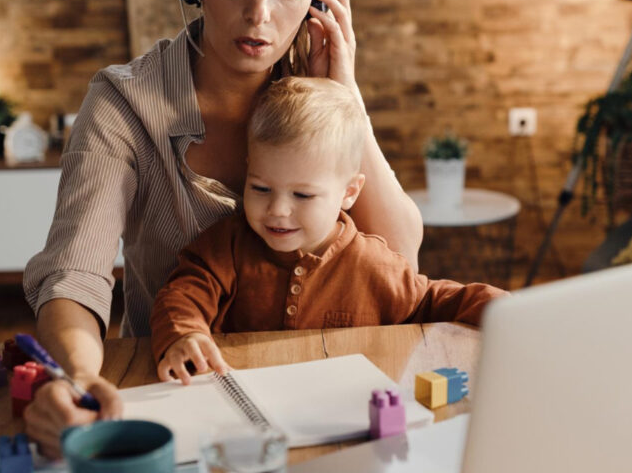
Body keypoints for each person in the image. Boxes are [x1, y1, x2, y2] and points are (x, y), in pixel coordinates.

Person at [20, 0, 424, 458]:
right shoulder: (124, 102)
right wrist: (77, 377)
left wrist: (346, 94)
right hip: (179, 395)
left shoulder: (320, 92)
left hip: (327, 395)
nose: (260, 14)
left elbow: (401, 255)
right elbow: (75, 274)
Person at [151, 78, 504, 383]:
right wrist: (185, 335)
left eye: (302, 194)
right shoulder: (226, 246)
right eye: (260, 188)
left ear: (349, 192)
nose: (277, 209)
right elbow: (181, 295)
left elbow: (433, 301)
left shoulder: (373, 265)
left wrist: (509, 312)